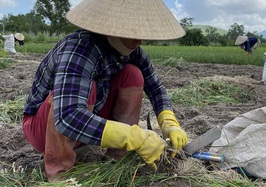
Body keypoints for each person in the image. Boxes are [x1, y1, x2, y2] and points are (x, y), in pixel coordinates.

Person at [22, 0, 188, 182]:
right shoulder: (79, 49)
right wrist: (134, 137)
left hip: (86, 124)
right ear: (115, 26)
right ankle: (61, 174)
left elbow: (156, 89)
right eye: (134, 32)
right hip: (46, 128)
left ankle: (118, 158)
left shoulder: (133, 53)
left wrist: (169, 122)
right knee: (88, 89)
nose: (140, 40)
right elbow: (68, 116)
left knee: (133, 74)